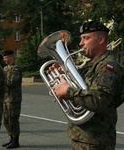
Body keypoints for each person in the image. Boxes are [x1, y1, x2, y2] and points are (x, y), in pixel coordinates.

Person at [52, 21, 123, 150]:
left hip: (97, 141)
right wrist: (63, 75)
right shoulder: (90, 65)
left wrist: (68, 91)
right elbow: (81, 89)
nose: (81, 43)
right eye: (81, 39)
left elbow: (99, 101)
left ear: (101, 39)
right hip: (83, 137)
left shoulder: (107, 66)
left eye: (86, 38)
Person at [1, 50, 22, 149]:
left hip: (14, 99)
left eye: (5, 58)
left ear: (11, 57)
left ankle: (15, 140)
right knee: (6, 120)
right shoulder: (5, 68)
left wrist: (0, 80)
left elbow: (11, 82)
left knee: (13, 120)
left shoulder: (16, 68)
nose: (4, 60)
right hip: (5, 99)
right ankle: (11, 138)